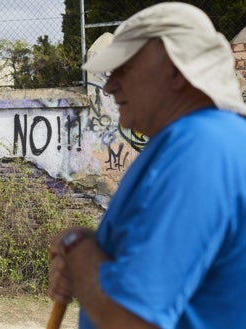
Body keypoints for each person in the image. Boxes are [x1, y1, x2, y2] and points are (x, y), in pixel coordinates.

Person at [48, 2, 246, 329]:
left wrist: (76, 249)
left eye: (124, 68)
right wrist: (84, 253)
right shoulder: (201, 140)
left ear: (176, 69)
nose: (109, 85)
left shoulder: (201, 147)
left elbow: (132, 320)